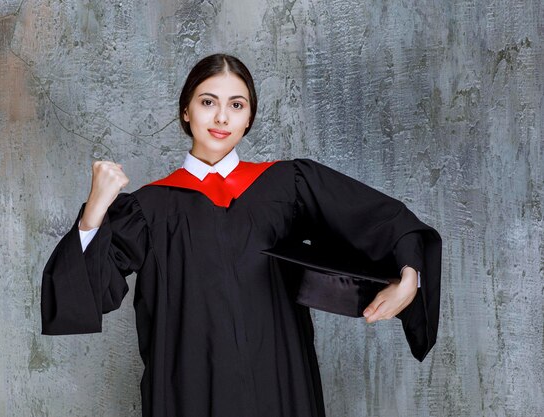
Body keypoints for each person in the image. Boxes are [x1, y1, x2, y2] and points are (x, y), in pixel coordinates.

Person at [41, 53, 441, 417]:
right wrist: (95, 210)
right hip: (190, 389)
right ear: (186, 111)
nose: (221, 118)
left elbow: (373, 218)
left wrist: (410, 275)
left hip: (279, 382)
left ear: (249, 117)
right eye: (207, 101)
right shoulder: (151, 207)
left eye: (236, 105)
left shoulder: (286, 186)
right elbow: (88, 293)